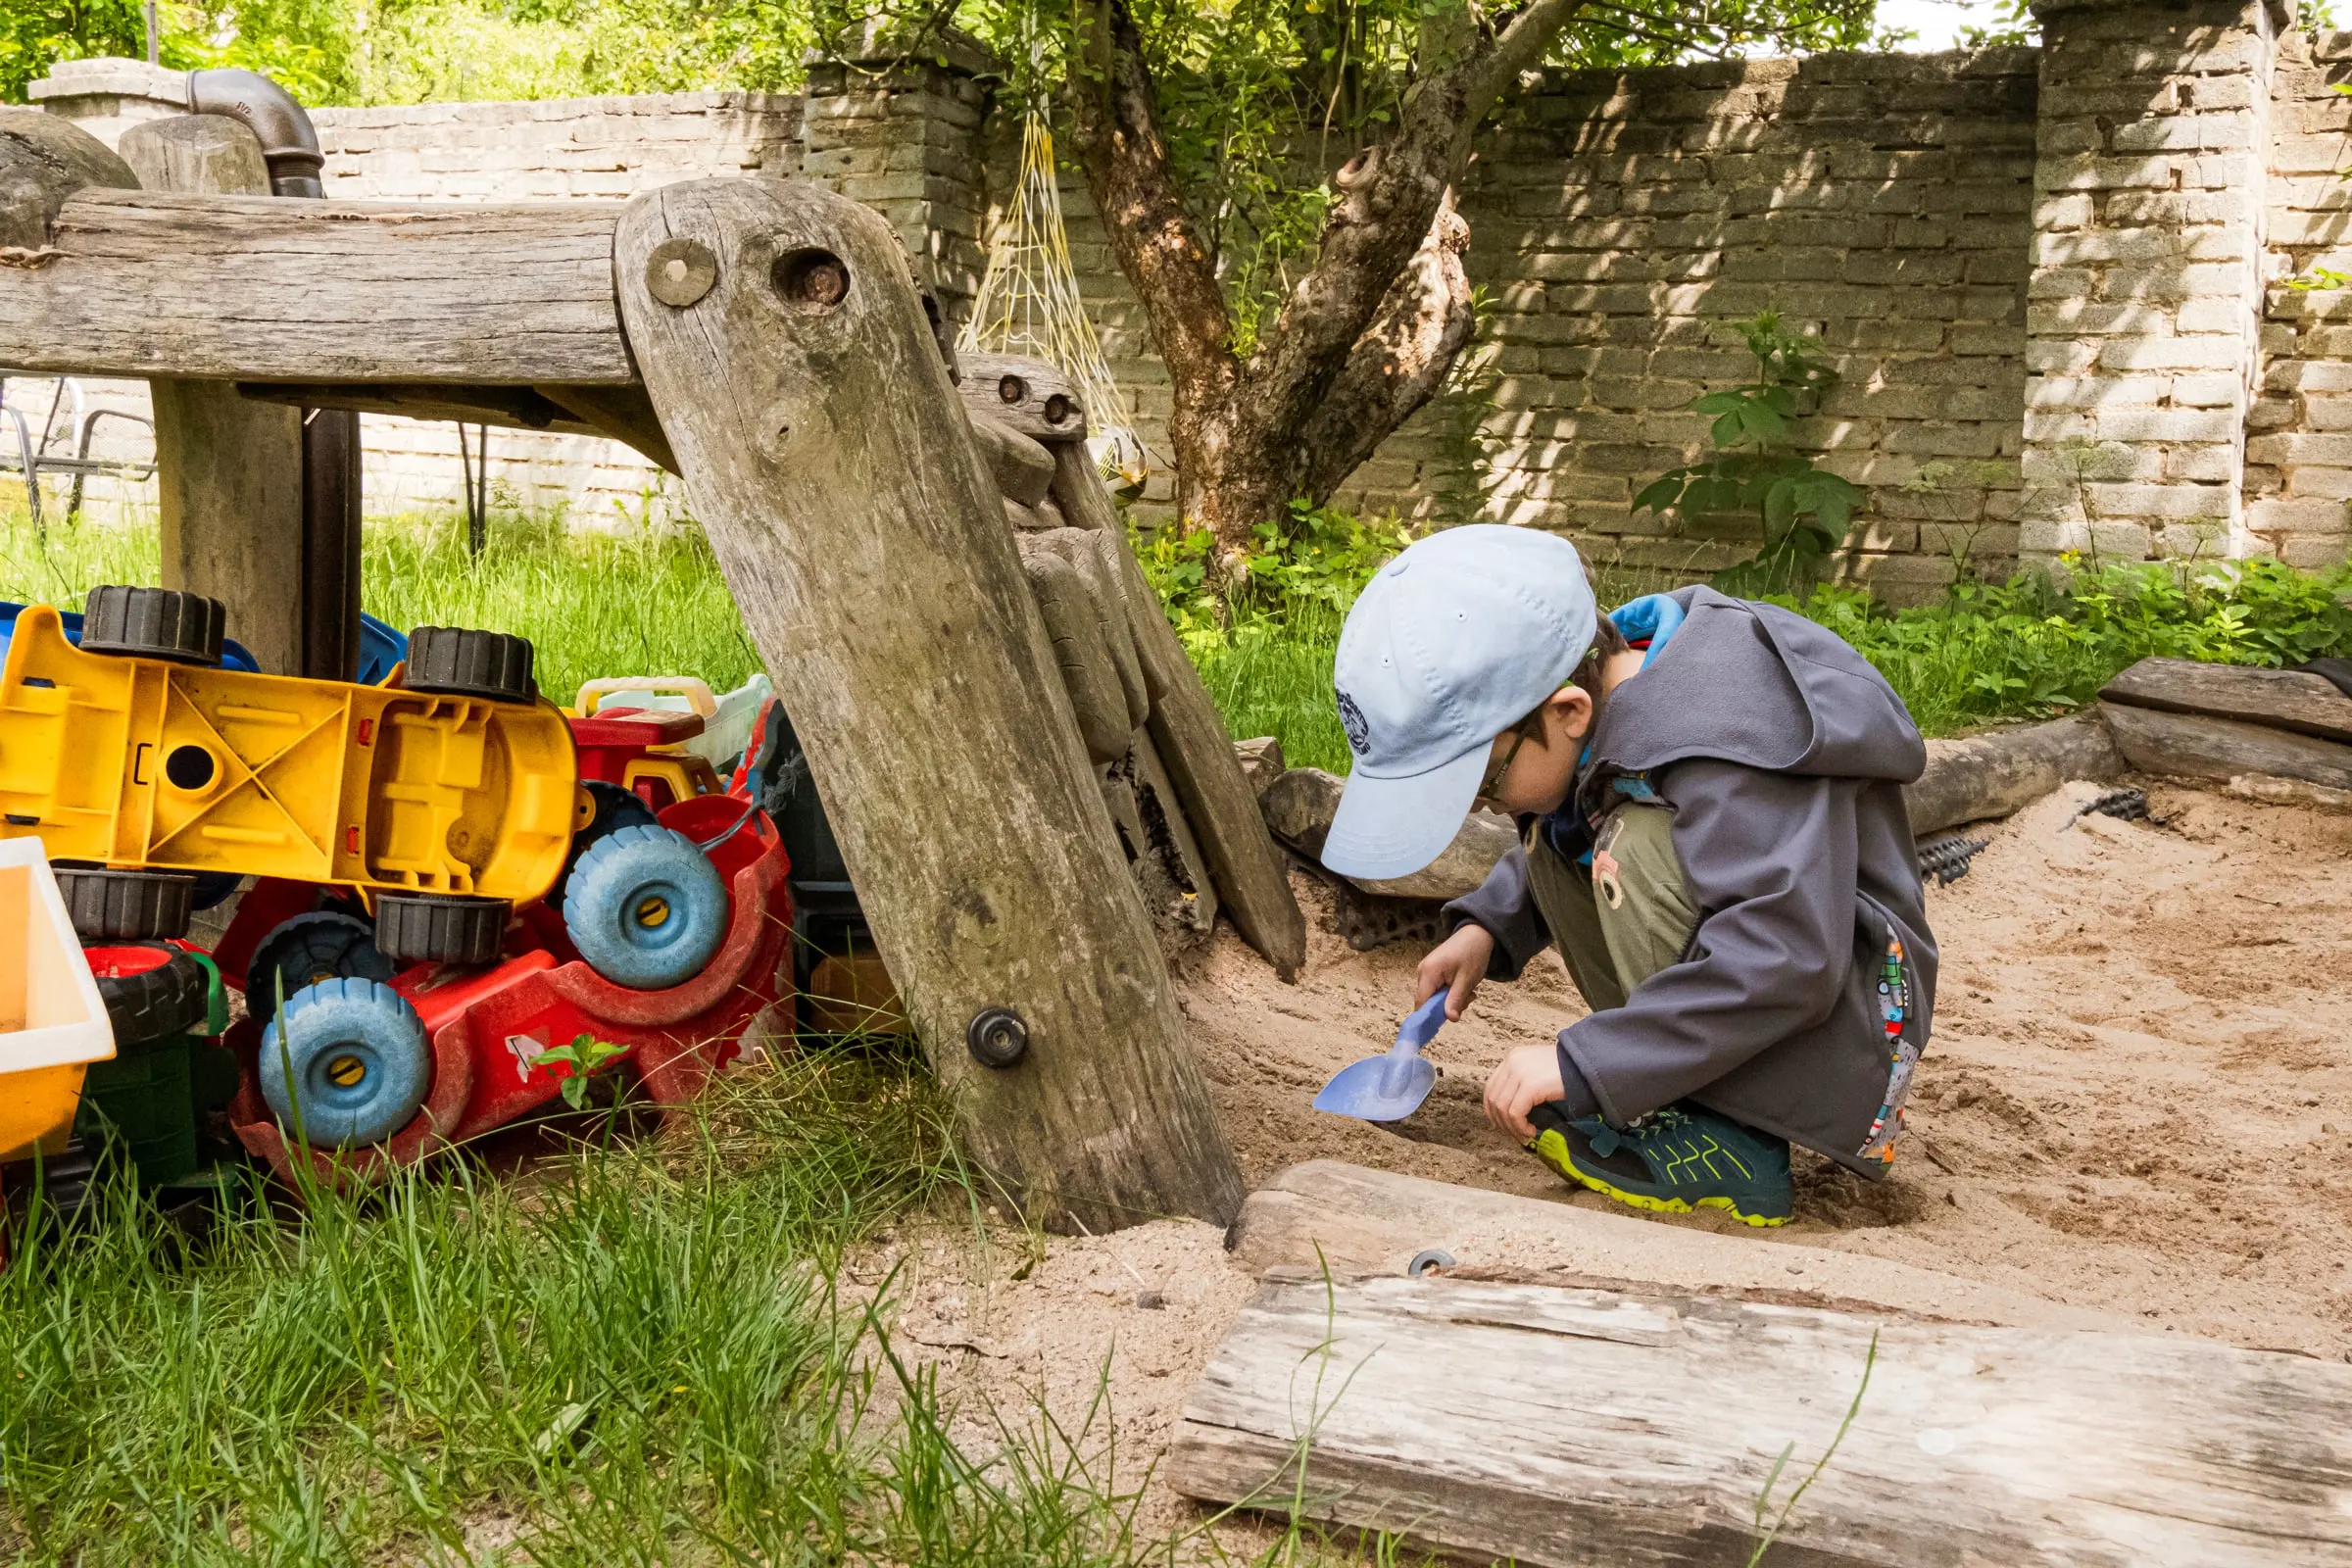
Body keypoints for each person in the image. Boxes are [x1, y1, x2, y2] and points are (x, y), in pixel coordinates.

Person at [1319, 524, 1936, 1227]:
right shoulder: (1629, 688)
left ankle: (1739, 1149)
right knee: (1565, 823)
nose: (1479, 805)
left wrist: (1588, 1062)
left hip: (1846, 1028)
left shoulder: (1724, 734)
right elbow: (1573, 811)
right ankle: (1689, 1091)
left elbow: (1784, 952)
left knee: (1627, 842)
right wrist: (1492, 927)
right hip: (1784, 993)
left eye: (1482, 780)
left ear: (1568, 709)